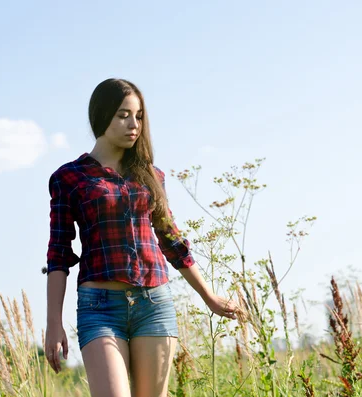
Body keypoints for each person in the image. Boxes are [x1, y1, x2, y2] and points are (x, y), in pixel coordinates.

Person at [43, 78, 238, 397]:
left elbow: (173, 242)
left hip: (154, 304)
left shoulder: (151, 175)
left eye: (139, 116)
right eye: (123, 114)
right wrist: (54, 323)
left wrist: (209, 296)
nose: (133, 124)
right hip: (100, 307)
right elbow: (58, 255)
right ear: (101, 116)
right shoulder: (69, 178)